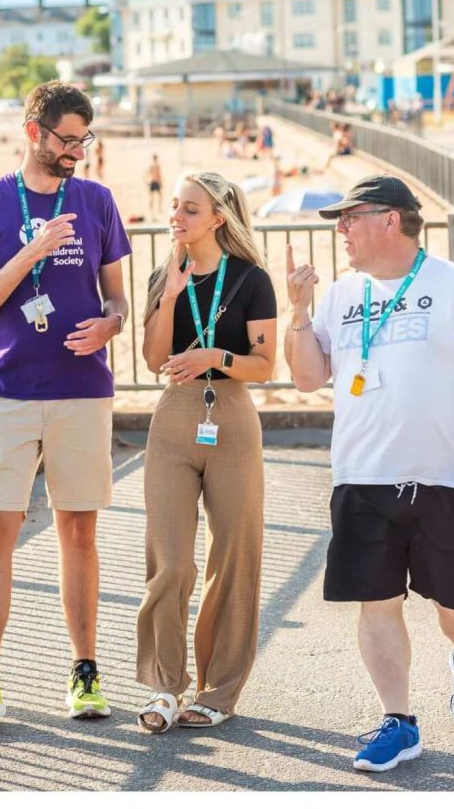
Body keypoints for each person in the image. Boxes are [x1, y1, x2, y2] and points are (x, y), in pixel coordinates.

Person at [284, 174, 454, 773]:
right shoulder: (341, 294)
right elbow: (308, 378)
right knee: (377, 602)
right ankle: (399, 721)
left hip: (445, 479)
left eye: (350, 217)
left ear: (391, 220)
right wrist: (299, 312)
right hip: (362, 477)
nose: (341, 229)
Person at [0, 81, 131, 730]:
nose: (76, 151)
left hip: (81, 389)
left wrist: (111, 324)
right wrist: (31, 252)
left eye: (83, 140)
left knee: (79, 531)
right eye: (66, 139)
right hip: (6, 390)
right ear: (32, 132)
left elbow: (117, 298)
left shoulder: (97, 200)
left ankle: (84, 672)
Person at [136, 171, 276, 732]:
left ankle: (218, 688)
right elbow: (153, 359)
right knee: (169, 561)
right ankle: (164, 686)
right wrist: (170, 295)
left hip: (231, 417)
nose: (177, 216)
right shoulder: (162, 274)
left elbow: (264, 366)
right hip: (173, 418)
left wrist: (215, 357)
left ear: (218, 217)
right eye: (175, 206)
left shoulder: (251, 279)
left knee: (234, 557)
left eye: (190, 209)